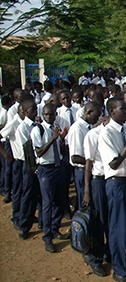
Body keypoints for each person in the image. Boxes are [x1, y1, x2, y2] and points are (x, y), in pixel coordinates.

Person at [98, 98, 126, 282]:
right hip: (117, 183)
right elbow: (114, 163)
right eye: (122, 109)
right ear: (111, 111)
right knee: (119, 227)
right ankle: (119, 270)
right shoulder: (106, 133)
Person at [31, 103, 69, 253]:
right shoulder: (38, 129)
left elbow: (62, 151)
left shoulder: (56, 128)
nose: (49, 117)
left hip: (58, 167)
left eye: (51, 114)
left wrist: (61, 139)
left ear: (55, 114)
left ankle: (55, 228)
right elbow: (39, 152)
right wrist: (53, 139)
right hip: (46, 170)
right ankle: (47, 237)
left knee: (61, 200)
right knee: (48, 203)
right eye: (46, 114)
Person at [83, 115, 111, 276]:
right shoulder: (93, 135)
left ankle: (110, 253)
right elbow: (89, 164)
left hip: (113, 180)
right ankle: (97, 259)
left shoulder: (116, 133)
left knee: (111, 221)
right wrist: (87, 190)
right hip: (99, 181)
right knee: (99, 221)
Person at [67, 103, 102, 210]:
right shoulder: (77, 129)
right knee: (85, 205)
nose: (96, 120)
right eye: (95, 117)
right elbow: (75, 157)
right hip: (81, 171)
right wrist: (94, 161)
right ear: (88, 113)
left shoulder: (88, 127)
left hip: (88, 170)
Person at [15, 99, 39, 240]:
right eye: (32, 110)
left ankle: (38, 219)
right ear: (24, 112)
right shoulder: (22, 128)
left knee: (39, 195)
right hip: (30, 165)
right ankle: (24, 225)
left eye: (36, 109)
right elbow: (28, 148)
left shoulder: (37, 124)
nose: (35, 111)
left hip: (39, 164)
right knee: (28, 194)